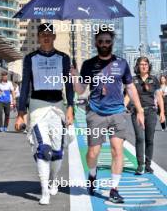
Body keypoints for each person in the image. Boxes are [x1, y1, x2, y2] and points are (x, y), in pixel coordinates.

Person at [71, 28, 144, 204]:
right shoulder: (88, 64)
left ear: (112, 43)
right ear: (96, 43)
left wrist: (140, 110)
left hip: (118, 112)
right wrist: (74, 76)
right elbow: (81, 90)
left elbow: (130, 87)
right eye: (101, 41)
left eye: (107, 41)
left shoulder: (122, 63)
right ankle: (93, 173)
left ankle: (114, 190)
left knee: (117, 151)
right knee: (93, 152)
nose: (104, 44)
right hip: (95, 113)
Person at [15, 23, 74, 205]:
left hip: (57, 107)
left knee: (57, 150)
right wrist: (21, 112)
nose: (46, 37)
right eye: (42, 34)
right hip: (37, 106)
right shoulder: (30, 58)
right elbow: (25, 85)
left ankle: (54, 179)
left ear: (54, 37)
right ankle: (44, 191)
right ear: (38, 37)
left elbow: (69, 84)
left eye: (49, 34)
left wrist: (70, 106)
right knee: (43, 149)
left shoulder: (64, 58)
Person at [129, 57, 165, 175]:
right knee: (139, 138)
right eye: (141, 64)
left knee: (149, 139)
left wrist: (162, 113)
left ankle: (148, 165)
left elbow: (159, 97)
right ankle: (140, 165)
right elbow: (128, 96)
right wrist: (121, 109)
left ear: (149, 66)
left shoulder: (154, 79)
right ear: (137, 66)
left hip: (151, 112)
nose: (144, 66)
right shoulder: (133, 80)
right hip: (137, 112)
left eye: (146, 64)